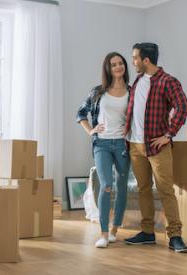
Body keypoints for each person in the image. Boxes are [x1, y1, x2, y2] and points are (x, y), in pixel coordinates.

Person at [124, 42, 187, 253]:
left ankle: (175, 236)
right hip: (135, 144)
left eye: (135, 58)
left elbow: (183, 107)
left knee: (165, 191)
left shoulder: (168, 81)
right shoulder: (137, 81)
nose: (132, 61)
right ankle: (147, 233)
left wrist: (169, 134)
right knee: (143, 189)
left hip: (156, 146)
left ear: (146, 60)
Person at [76, 52, 131, 248]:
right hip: (102, 145)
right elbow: (81, 114)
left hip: (123, 145)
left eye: (120, 63)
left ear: (124, 66)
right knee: (107, 184)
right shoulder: (98, 92)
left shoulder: (132, 92)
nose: (118, 67)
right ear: (108, 68)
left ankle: (115, 229)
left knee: (122, 187)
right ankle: (104, 234)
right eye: (113, 64)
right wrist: (91, 131)